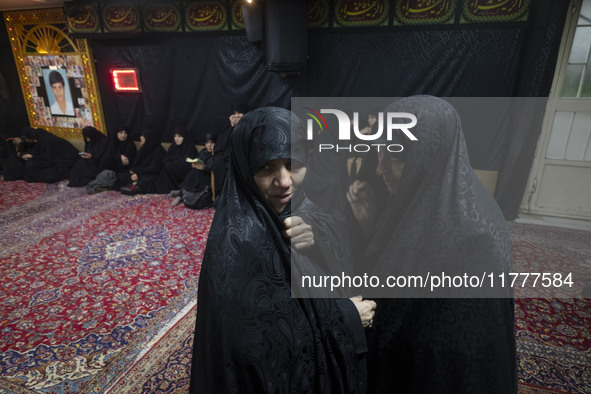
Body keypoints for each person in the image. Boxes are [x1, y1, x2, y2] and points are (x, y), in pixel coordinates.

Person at [190, 107, 375, 393]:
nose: (285, 181)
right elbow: (265, 350)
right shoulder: (240, 240)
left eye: (293, 164)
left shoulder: (296, 204)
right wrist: (347, 316)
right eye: (266, 167)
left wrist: (316, 237)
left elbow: (333, 241)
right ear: (244, 166)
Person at [346, 96, 516, 393]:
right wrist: (371, 227)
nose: (379, 168)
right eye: (380, 150)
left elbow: (450, 358)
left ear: (429, 152)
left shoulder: (469, 237)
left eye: (395, 154)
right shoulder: (425, 199)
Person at [171, 133, 215, 208]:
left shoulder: (217, 154)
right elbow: (198, 160)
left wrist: (204, 168)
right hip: (198, 175)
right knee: (194, 171)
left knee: (196, 173)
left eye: (212, 143)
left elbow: (216, 169)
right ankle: (181, 192)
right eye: (207, 143)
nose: (209, 145)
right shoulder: (203, 152)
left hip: (208, 178)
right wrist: (194, 164)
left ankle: (181, 193)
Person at [211, 104, 245, 199]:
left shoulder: (248, 124)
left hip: (240, 155)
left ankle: (233, 197)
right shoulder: (227, 125)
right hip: (226, 154)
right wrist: (231, 126)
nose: (237, 116)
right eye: (234, 113)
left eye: (239, 113)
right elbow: (222, 144)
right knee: (217, 163)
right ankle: (220, 195)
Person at [117, 129, 165, 194]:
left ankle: (134, 188)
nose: (140, 137)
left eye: (143, 136)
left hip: (150, 174)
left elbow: (154, 169)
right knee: (121, 177)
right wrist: (135, 172)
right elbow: (136, 164)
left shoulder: (158, 151)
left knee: (144, 182)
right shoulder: (144, 149)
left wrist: (138, 173)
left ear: (148, 137)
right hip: (140, 173)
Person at [155, 127, 197, 194]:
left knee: (169, 166)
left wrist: (173, 163)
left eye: (179, 136)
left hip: (182, 174)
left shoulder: (190, 148)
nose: (176, 139)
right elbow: (166, 157)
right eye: (175, 136)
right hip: (171, 172)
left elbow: (187, 163)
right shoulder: (173, 147)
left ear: (184, 137)